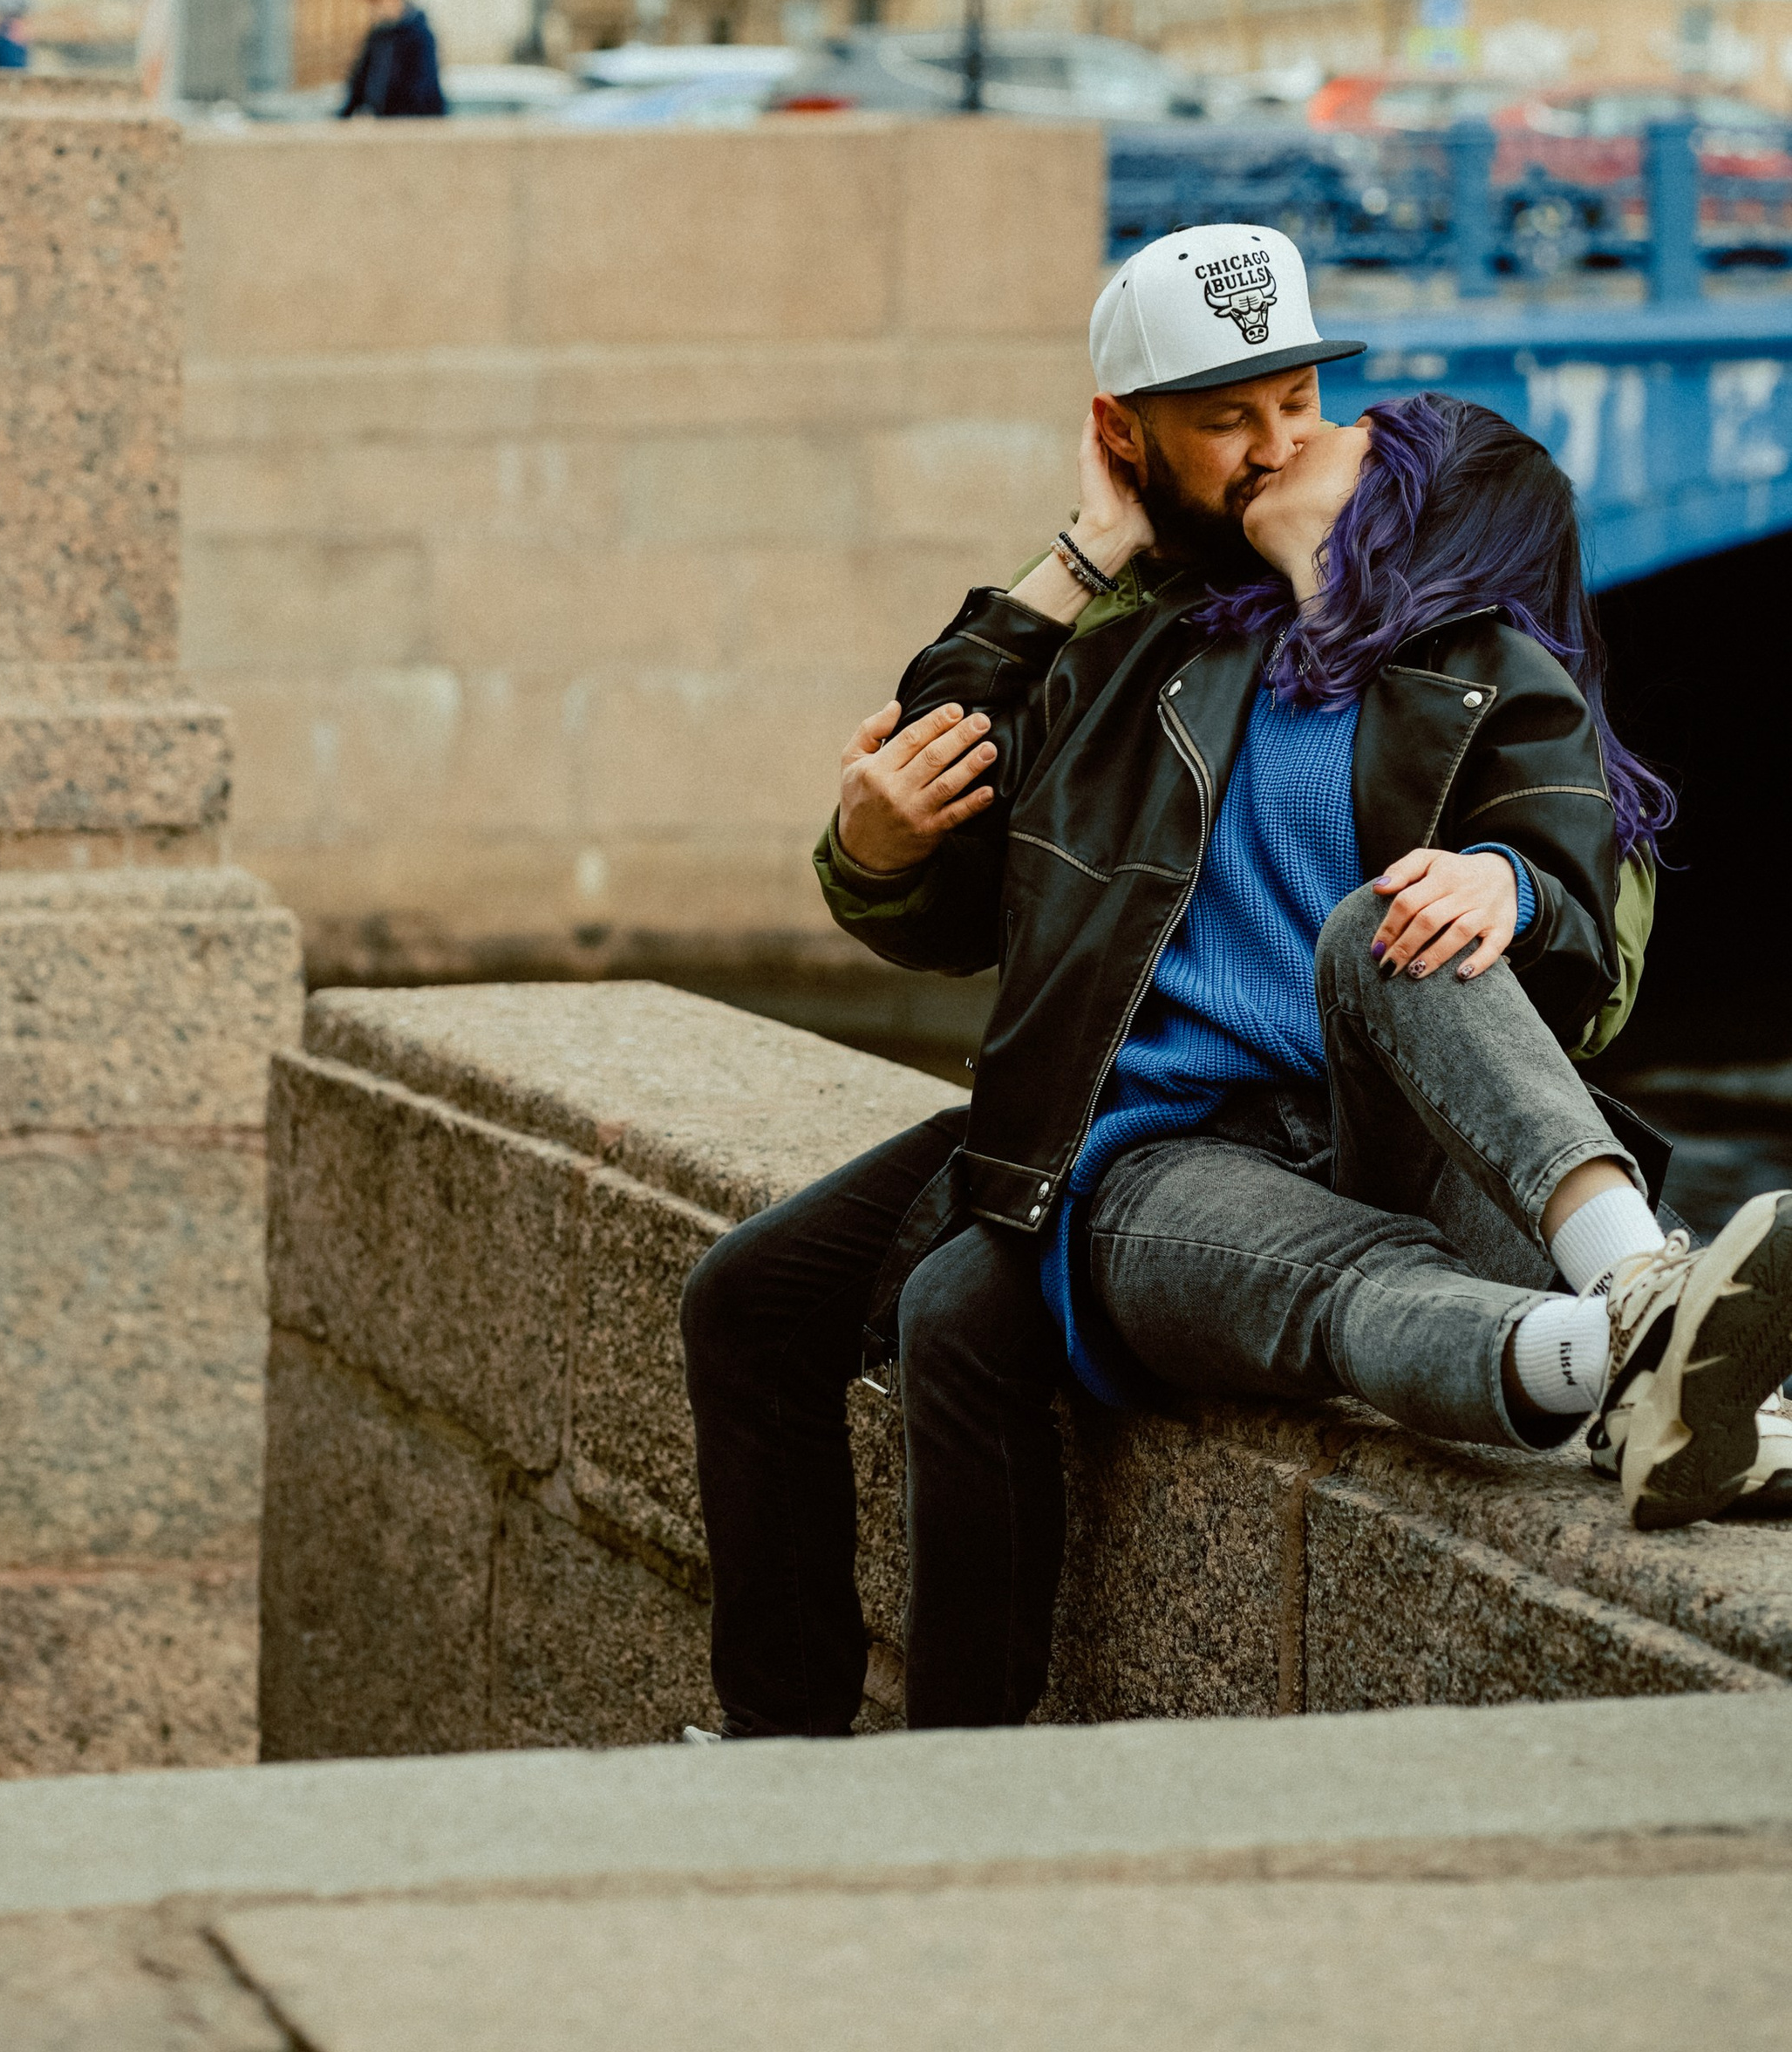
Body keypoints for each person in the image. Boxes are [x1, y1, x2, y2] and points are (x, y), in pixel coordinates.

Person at [681, 220, 1792, 1742]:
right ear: (1131, 438)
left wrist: (1511, 885)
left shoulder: (1477, 669)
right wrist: (882, 833)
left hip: (1357, 1121)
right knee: (770, 1300)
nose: (1279, 442)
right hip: (1116, 1114)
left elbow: (1583, 951)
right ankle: (801, 1746)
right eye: (1228, 420)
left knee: (1370, 942)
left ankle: (1635, 1303)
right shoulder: (1154, 645)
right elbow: (958, 876)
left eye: (1304, 404)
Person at [341, 0, 446, 118]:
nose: (387, 5)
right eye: (381, 1)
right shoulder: (377, 36)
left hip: (414, 121)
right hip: (383, 120)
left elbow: (423, 84)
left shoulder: (419, 35)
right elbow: (360, 80)